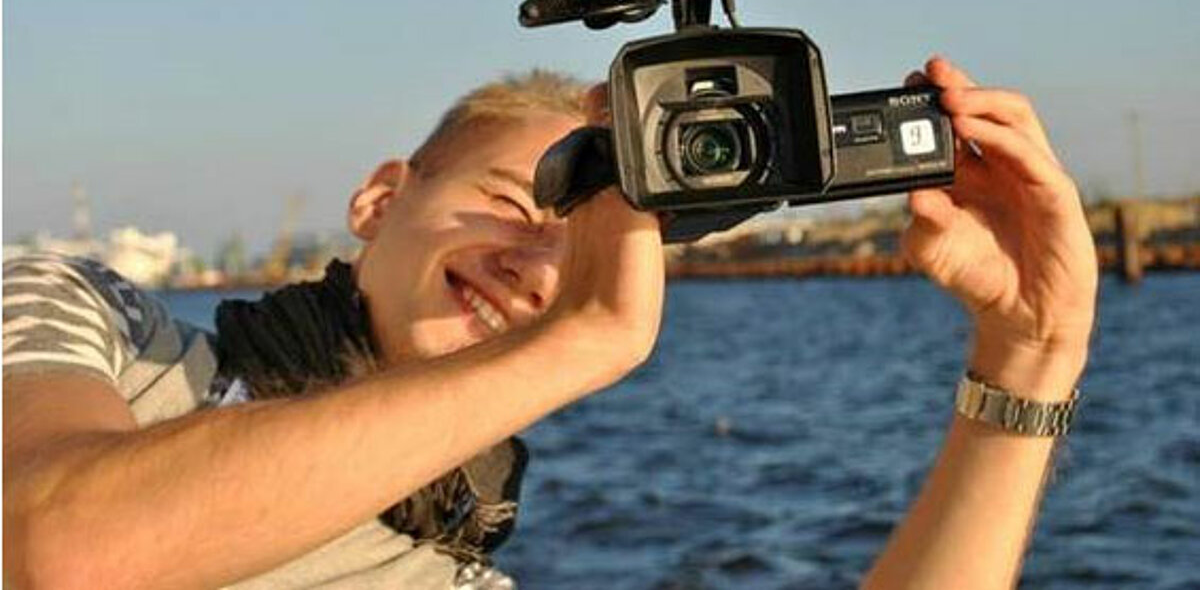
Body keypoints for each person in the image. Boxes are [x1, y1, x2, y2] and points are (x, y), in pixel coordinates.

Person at [2, 57, 1097, 589]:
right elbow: (55, 546)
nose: (536, 267)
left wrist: (1032, 355)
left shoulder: (454, 579)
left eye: (580, 255)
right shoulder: (96, 319)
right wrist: (582, 336)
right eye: (515, 204)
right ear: (381, 198)